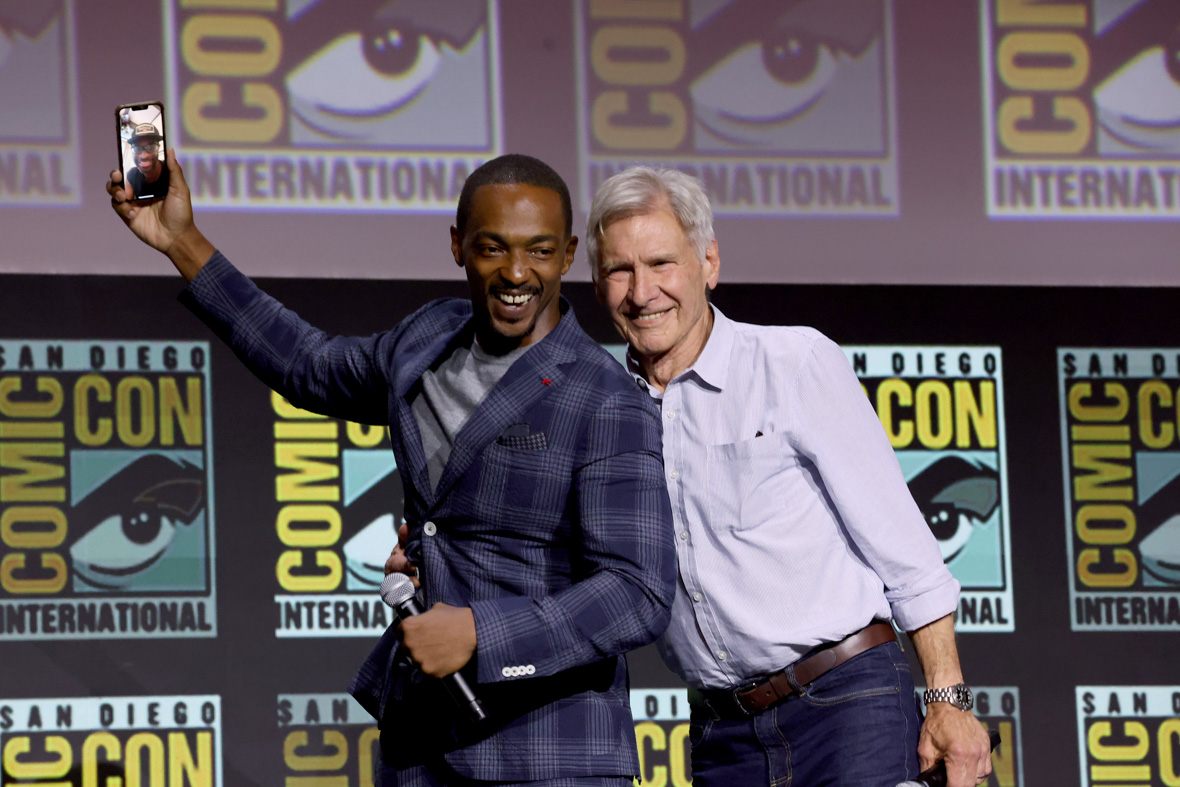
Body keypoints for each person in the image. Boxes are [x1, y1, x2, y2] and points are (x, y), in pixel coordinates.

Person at [106, 152, 676, 786]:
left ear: (568, 255)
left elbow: (638, 592)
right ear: (458, 246)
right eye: (494, 248)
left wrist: (481, 635)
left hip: (547, 757)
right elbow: (308, 364)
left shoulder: (606, 397)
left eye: (540, 252)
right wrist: (181, 240)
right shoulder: (427, 338)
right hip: (420, 744)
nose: (518, 272)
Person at [584, 166, 995, 787]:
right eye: (620, 270)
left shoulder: (794, 363)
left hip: (846, 706)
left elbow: (905, 549)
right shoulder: (600, 410)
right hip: (722, 739)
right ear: (597, 282)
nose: (642, 292)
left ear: (709, 263)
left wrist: (949, 699)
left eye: (662, 263)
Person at [124, 123, 169, 199]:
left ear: (158, 148)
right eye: (137, 148)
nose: (144, 156)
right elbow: (126, 202)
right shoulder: (131, 175)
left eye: (151, 147)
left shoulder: (171, 170)